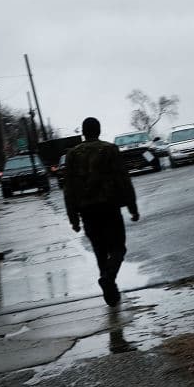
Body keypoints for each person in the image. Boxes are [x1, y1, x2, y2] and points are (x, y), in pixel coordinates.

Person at [64, 117, 140, 306]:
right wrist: (132, 207)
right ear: (99, 130)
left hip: (87, 211)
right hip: (109, 207)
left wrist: (73, 218)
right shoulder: (109, 150)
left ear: (83, 132)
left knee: (100, 251)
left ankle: (110, 292)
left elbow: (69, 188)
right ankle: (109, 279)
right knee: (118, 247)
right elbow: (123, 179)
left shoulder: (72, 155)